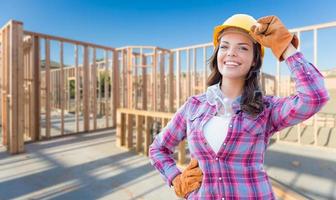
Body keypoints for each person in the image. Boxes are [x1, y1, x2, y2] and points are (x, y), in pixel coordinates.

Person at [149, 14, 330, 199]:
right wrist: (175, 178)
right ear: (217, 54)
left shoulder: (266, 109)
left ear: (254, 60)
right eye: (224, 46)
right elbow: (158, 149)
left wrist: (285, 46)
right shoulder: (193, 106)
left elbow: (314, 96)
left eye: (242, 48)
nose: (231, 53)